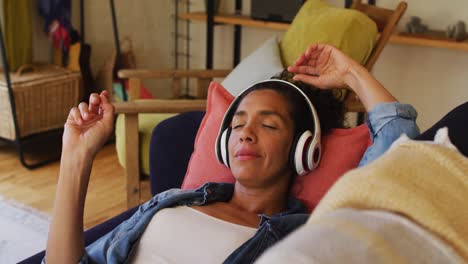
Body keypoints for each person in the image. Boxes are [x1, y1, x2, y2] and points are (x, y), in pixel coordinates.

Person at [45, 43, 419, 264]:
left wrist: (352, 74)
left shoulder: (307, 234)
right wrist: (76, 158)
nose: (246, 134)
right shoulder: (171, 201)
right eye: (237, 124)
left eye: (269, 125)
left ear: (305, 150)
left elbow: (400, 147)